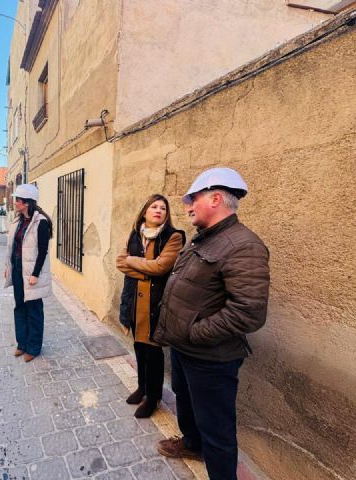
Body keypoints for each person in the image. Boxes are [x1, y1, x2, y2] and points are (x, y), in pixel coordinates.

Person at [153, 168, 270, 480]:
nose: (188, 206)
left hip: (210, 358)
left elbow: (249, 311)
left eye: (193, 198)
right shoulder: (204, 239)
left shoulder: (244, 245)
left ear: (216, 198)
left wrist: (195, 333)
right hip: (185, 349)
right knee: (186, 401)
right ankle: (192, 444)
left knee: (216, 429)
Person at [116, 194, 185, 418]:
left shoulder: (173, 237)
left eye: (163, 208)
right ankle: (142, 388)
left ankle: (153, 398)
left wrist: (133, 262)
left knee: (153, 352)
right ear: (145, 211)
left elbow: (161, 267)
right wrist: (146, 271)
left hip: (156, 304)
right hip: (135, 302)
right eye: (154, 206)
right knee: (139, 347)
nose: (158, 210)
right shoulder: (135, 234)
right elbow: (120, 262)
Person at [4, 184, 52, 362]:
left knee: (34, 310)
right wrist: (8, 266)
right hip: (17, 269)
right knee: (19, 307)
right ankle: (22, 344)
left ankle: (33, 347)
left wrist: (35, 274)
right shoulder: (17, 221)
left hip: (31, 273)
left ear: (27, 203)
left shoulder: (41, 222)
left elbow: (43, 251)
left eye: (18, 200)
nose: (15, 202)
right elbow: (13, 246)